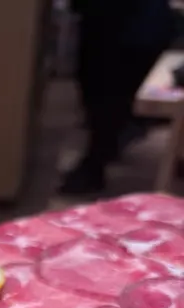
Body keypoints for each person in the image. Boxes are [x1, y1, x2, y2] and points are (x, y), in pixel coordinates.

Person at [60, 0, 176, 195]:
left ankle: (96, 164)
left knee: (105, 96)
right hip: (132, 26)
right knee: (106, 95)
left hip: (122, 28)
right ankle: (110, 144)